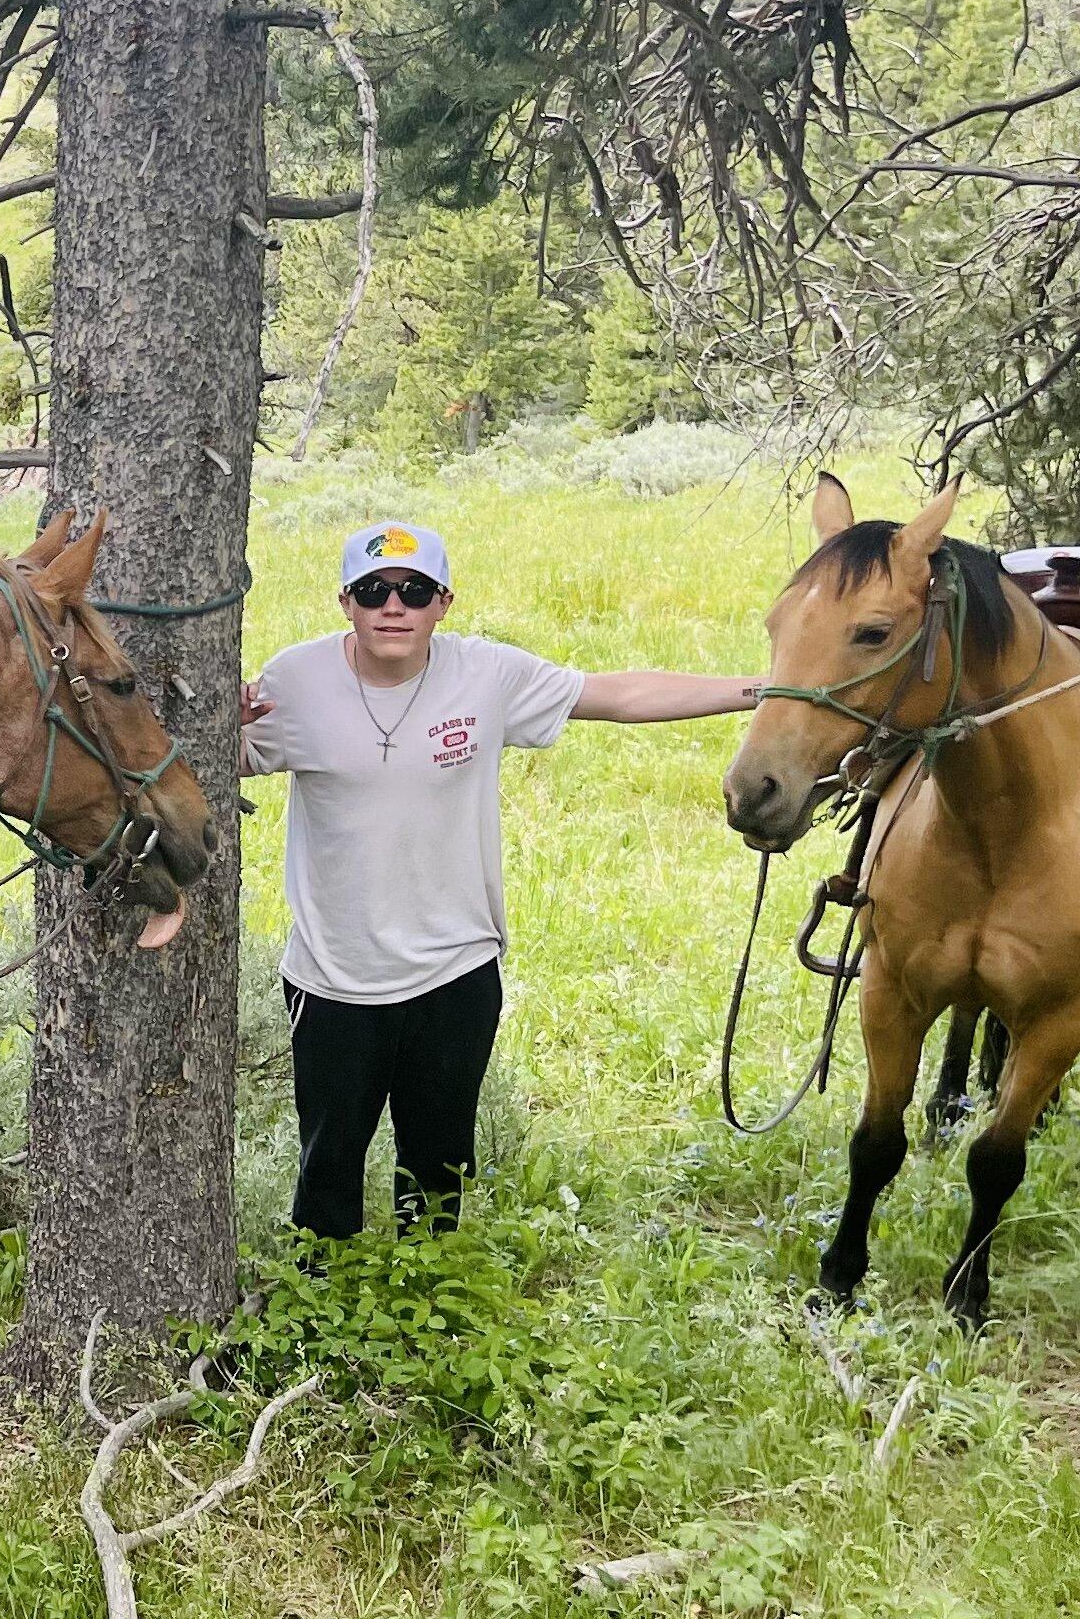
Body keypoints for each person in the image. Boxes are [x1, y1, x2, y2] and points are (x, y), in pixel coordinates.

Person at [242, 521, 757, 1242]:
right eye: (373, 590)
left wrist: (766, 689)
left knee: (439, 1169)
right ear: (345, 603)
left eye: (414, 591)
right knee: (327, 1171)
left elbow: (618, 694)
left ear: (444, 602)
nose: (395, 606)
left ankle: (430, 1308)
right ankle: (322, 1315)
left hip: (455, 973)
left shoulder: (485, 676)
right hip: (334, 980)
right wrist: (210, 718)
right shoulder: (293, 682)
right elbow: (213, 759)